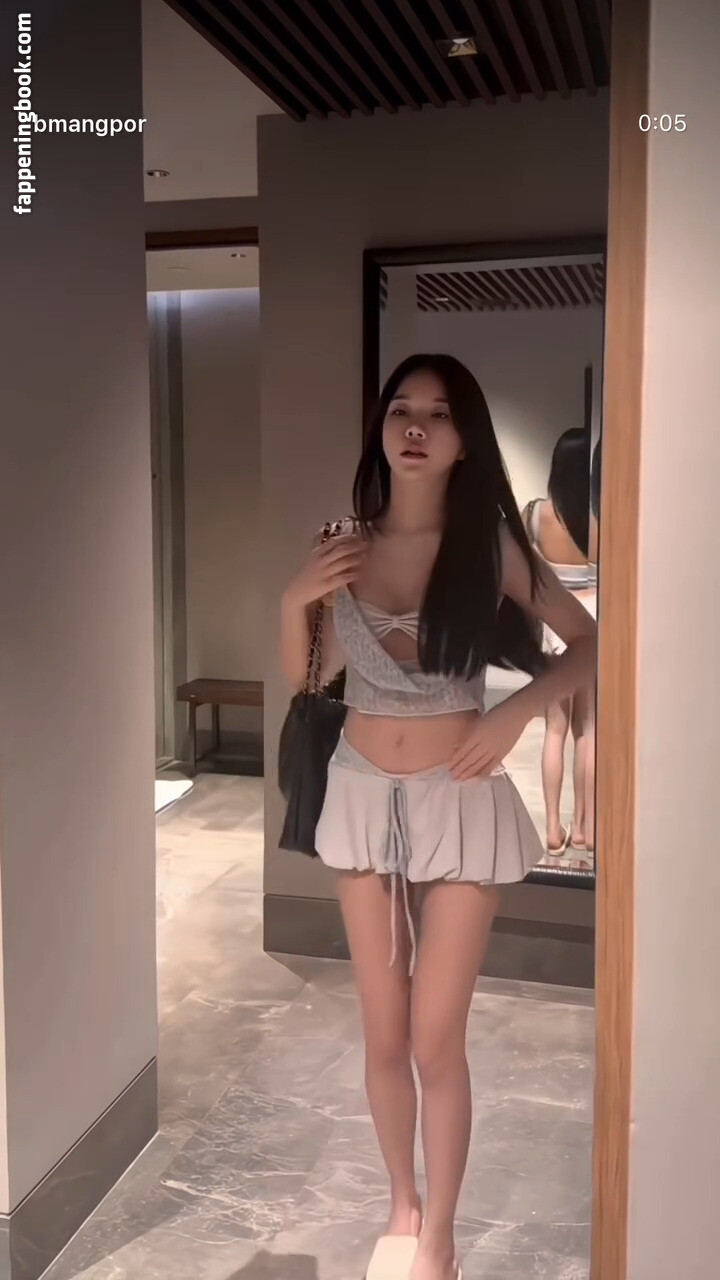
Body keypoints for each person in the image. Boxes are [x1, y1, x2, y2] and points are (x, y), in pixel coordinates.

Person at [280, 355, 597, 1280]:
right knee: (383, 1032)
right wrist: (293, 596)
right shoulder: (341, 542)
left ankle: (442, 1236)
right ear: (381, 427)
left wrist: (515, 713)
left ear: (465, 441)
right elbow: (309, 675)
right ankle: (402, 1205)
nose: (415, 427)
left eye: (439, 414)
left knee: (433, 1038)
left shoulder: (488, 545)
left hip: (458, 798)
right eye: (401, 410)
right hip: (359, 792)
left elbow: (592, 643)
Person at [523, 429, 597, 856]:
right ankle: (584, 828)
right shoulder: (603, 515)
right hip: (594, 621)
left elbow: (525, 570)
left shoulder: (537, 513)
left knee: (555, 728)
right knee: (589, 729)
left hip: (555, 624)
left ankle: (552, 830)